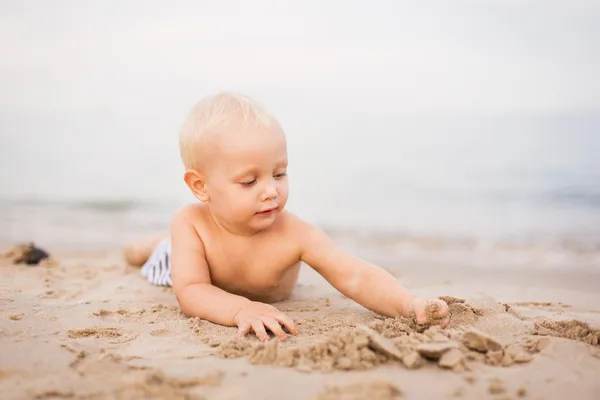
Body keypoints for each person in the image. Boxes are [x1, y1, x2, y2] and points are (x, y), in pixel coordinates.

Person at [123, 92, 450, 342]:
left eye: (279, 174)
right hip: (178, 262)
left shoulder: (295, 234)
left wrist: (408, 304)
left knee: (166, 243)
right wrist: (241, 309)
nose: (270, 191)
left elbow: (355, 275)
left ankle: (157, 242)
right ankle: (148, 245)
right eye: (250, 181)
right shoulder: (192, 224)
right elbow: (191, 289)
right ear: (201, 186)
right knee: (153, 253)